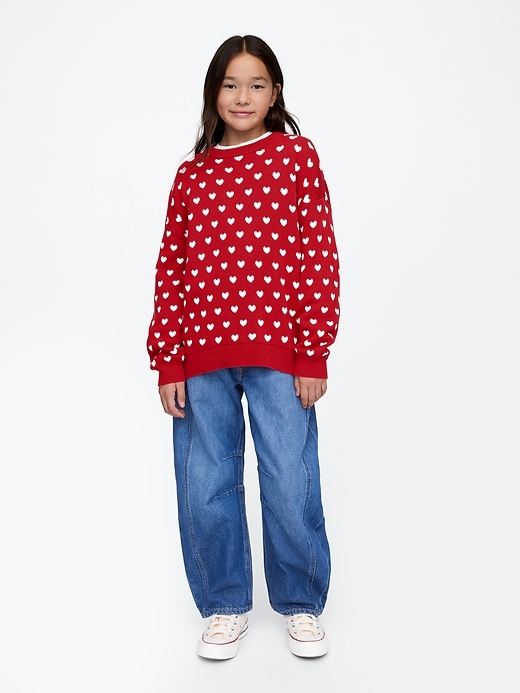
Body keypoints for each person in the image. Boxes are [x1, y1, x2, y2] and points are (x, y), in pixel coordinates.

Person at [146, 34, 340, 660]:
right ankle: (224, 603)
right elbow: (172, 269)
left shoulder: (296, 158)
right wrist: (167, 359)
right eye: (230, 85)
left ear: (274, 93)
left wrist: (313, 352)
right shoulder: (192, 175)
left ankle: (302, 602)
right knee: (206, 482)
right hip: (200, 354)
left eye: (256, 85)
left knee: (289, 478)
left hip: (280, 352)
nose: (242, 96)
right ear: (213, 93)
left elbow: (318, 254)